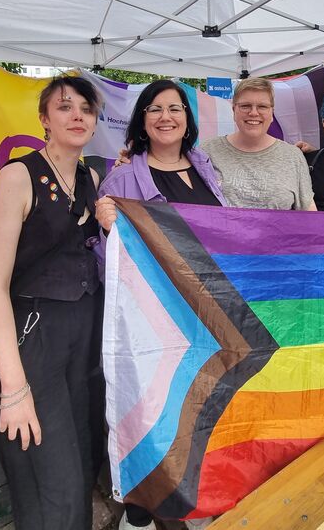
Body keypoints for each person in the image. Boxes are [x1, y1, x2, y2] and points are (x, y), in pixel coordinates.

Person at [95, 79, 225, 530]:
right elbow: (104, 263)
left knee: (201, 403)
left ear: (187, 119)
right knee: (155, 409)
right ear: (141, 121)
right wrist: (108, 232)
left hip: (207, 312)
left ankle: (197, 490)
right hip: (156, 319)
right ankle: (144, 507)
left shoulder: (206, 166)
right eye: (154, 109)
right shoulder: (122, 178)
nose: (165, 117)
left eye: (175, 108)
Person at [0, 74, 103, 530]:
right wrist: (12, 389)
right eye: (65, 107)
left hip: (85, 344)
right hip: (36, 343)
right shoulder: (17, 177)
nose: (77, 116)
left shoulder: (90, 177)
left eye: (86, 110)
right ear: (44, 119)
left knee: (84, 464)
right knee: (54, 481)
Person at [201, 78, 315, 210]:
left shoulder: (293, 156)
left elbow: (308, 209)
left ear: (271, 113)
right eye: (245, 106)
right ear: (234, 110)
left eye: (262, 106)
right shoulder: (208, 151)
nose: (254, 113)